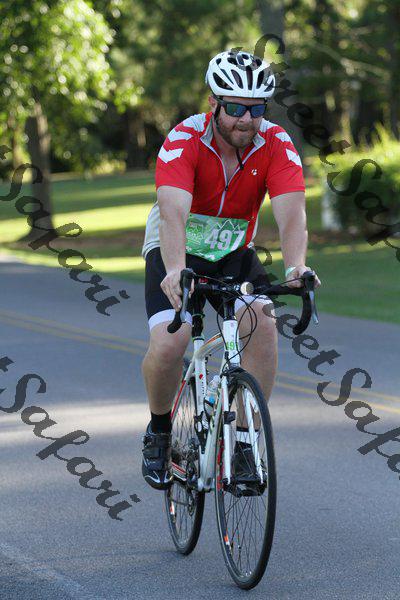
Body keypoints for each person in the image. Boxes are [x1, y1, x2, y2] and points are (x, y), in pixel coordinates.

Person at [141, 49, 321, 490]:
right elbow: (172, 214)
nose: (246, 120)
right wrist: (175, 270)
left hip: (234, 249)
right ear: (214, 103)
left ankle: (243, 442)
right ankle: (159, 431)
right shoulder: (184, 139)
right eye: (236, 108)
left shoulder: (276, 144)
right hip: (177, 246)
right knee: (172, 341)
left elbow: (292, 215)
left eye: (256, 109)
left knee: (262, 322)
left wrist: (296, 266)